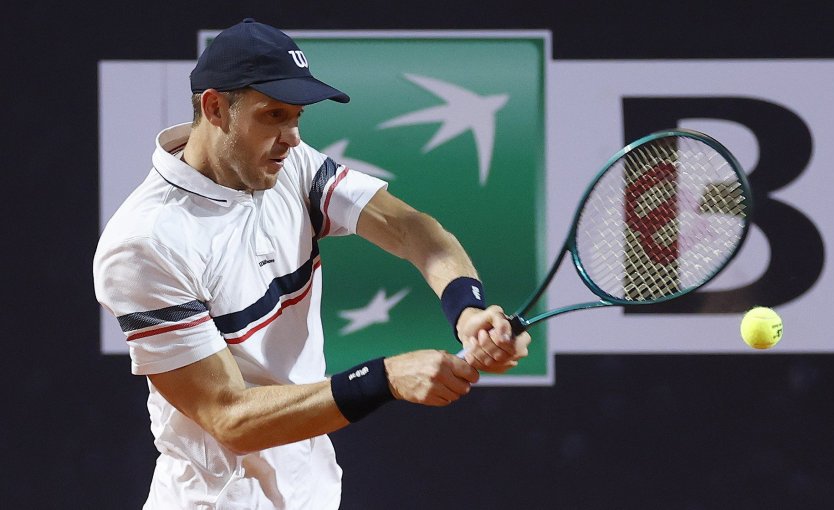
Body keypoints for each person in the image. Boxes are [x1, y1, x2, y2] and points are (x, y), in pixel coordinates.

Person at [93, 18, 530, 510]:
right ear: (215, 107)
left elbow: (413, 231)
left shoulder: (287, 166)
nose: (292, 136)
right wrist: (382, 378)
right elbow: (229, 417)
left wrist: (467, 310)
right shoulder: (144, 243)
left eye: (297, 116)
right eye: (273, 115)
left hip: (310, 491)